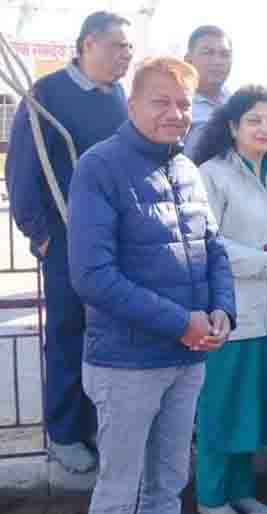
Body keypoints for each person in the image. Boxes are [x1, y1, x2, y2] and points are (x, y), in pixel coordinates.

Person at [68, 57, 236, 514]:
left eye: (183, 103)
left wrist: (223, 309)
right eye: (160, 101)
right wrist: (182, 321)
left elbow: (214, 248)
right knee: (119, 490)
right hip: (126, 363)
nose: (174, 113)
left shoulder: (185, 168)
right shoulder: (99, 167)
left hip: (187, 358)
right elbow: (92, 277)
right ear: (132, 105)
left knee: (169, 485)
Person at [4, 10, 133, 473]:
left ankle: (97, 424)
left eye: (129, 49)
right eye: (119, 46)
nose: (126, 56)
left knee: (108, 336)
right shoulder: (47, 95)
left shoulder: (118, 96)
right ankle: (63, 433)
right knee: (67, 335)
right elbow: (21, 173)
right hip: (64, 242)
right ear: (87, 44)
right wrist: (40, 236)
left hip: (114, 242)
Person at [192, 85, 267, 514]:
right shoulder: (212, 174)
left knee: (249, 413)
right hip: (227, 314)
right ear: (232, 126)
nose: (264, 128)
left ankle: (240, 493)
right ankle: (211, 499)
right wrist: (265, 262)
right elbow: (208, 243)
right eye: (254, 120)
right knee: (220, 412)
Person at [184, 25, 233, 155]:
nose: (218, 61)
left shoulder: (237, 102)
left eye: (225, 54)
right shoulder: (176, 106)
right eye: (208, 53)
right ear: (188, 59)